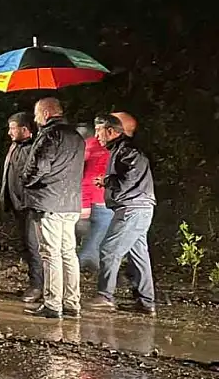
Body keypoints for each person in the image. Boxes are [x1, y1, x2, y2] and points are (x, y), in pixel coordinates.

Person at [20, 97, 85, 318]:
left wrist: (26, 180)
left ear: (46, 113)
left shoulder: (50, 135)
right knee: (69, 253)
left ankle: (52, 303)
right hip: (71, 203)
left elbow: (40, 166)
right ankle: (72, 302)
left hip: (49, 202)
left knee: (50, 254)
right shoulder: (76, 136)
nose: (35, 118)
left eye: (37, 113)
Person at [87, 114, 158, 316]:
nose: (96, 135)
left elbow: (130, 178)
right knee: (139, 255)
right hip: (140, 207)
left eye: (98, 130)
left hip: (132, 208)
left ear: (111, 131)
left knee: (109, 249)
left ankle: (105, 297)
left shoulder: (127, 150)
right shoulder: (123, 149)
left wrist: (108, 181)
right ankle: (146, 302)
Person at [1, 112, 41, 302]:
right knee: (26, 245)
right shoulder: (15, 146)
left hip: (29, 206)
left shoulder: (32, 149)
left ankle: (38, 286)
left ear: (25, 129)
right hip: (18, 205)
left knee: (34, 246)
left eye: (12, 128)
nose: (9, 132)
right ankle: (34, 283)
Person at [75, 123, 114, 274]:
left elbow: (81, 174)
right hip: (102, 201)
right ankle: (87, 262)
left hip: (94, 199)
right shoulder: (112, 148)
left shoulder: (89, 146)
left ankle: (90, 262)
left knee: (95, 237)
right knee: (97, 237)